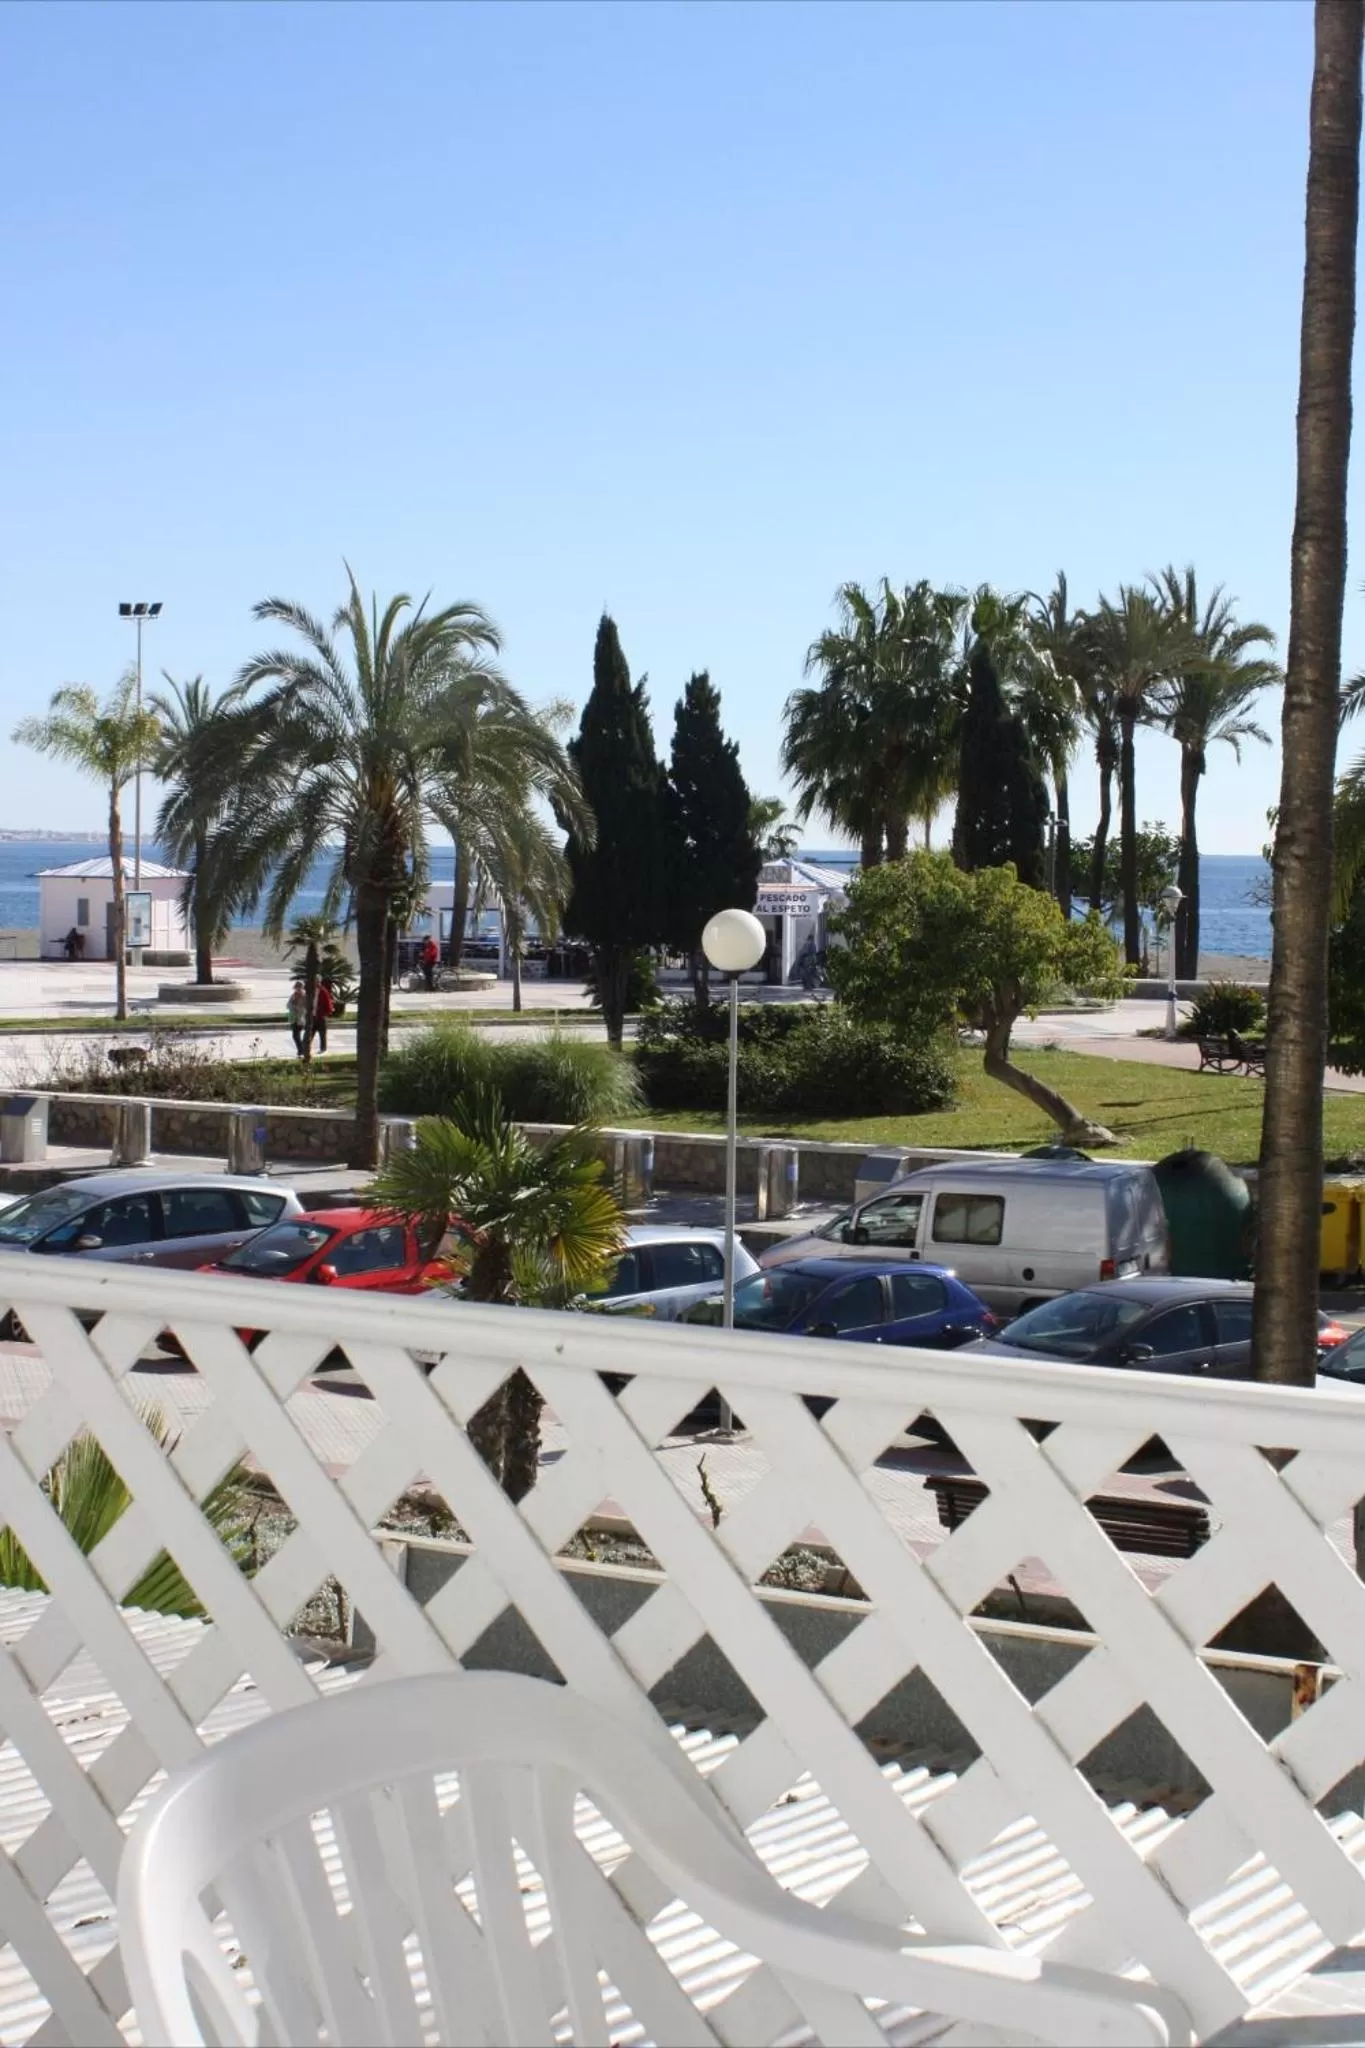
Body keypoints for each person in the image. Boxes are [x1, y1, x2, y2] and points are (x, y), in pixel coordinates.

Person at [312, 978, 336, 1055]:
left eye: (317, 982)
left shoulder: (323, 991)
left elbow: (328, 1003)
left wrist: (325, 1013)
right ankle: (306, 1048)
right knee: (310, 1033)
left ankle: (323, 1049)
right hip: (312, 1015)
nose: (316, 983)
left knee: (322, 1033)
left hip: (321, 1016)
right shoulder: (311, 991)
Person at [287, 979, 308, 1058]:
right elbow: (288, 1005)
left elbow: (305, 1008)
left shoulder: (304, 996)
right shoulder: (293, 995)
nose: (297, 989)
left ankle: (301, 1050)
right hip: (293, 1018)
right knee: (296, 1035)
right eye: (296, 988)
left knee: (296, 1035)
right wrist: (292, 1006)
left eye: (299, 988)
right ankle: (300, 1050)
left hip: (300, 1018)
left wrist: (297, 1008)